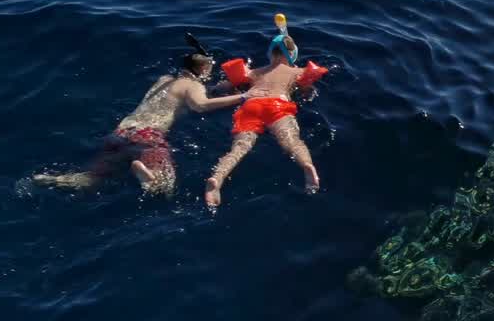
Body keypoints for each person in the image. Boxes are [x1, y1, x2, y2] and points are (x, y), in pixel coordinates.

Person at [33, 54, 257, 195]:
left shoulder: (164, 80)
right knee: (164, 187)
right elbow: (201, 104)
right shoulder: (191, 85)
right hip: (147, 136)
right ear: (204, 71)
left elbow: (196, 93)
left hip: (122, 131)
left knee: (93, 179)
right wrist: (243, 97)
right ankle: (147, 175)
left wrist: (222, 87)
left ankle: (53, 179)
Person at [204, 33, 320, 207]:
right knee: (291, 142)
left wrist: (212, 87)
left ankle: (217, 178)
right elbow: (307, 91)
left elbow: (223, 86)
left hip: (251, 104)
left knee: (240, 147)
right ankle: (306, 166)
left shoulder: (254, 72)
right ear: (293, 54)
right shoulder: (298, 71)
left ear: (271, 53)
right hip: (278, 105)